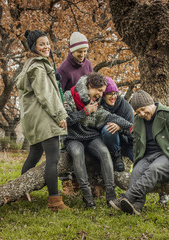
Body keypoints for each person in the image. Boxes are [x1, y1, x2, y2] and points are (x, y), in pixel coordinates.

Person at [109, 90, 169, 215]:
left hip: (166, 157)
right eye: (138, 111)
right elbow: (136, 143)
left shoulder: (168, 115)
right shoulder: (138, 120)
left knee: (153, 169)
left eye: (143, 109)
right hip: (147, 156)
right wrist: (137, 159)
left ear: (151, 104)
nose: (141, 113)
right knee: (136, 172)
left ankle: (127, 197)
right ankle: (136, 206)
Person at [16, 30, 69, 211]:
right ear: (34, 47)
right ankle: (55, 201)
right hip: (44, 119)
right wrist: (60, 116)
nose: (46, 47)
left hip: (34, 119)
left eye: (47, 43)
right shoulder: (38, 67)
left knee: (34, 155)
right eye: (41, 44)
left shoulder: (30, 65)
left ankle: (21, 191)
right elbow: (46, 95)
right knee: (53, 159)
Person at [64, 72, 133, 208]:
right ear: (90, 86)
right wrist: (85, 111)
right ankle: (87, 196)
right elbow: (67, 120)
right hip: (72, 138)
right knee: (77, 153)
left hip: (91, 137)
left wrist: (130, 127)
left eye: (102, 91)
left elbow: (109, 116)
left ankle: (111, 196)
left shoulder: (96, 102)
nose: (101, 94)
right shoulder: (69, 96)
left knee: (104, 152)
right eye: (99, 90)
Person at [57, 32, 93, 195]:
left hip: (85, 112)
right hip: (69, 112)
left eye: (85, 51)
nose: (83, 54)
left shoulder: (88, 64)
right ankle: (66, 181)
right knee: (66, 146)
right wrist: (62, 105)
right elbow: (58, 91)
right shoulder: (63, 69)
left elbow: (91, 84)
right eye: (80, 51)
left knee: (83, 145)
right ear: (72, 50)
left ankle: (79, 179)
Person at [100, 77, 134, 172]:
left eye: (115, 94)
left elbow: (132, 129)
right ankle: (116, 157)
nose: (113, 97)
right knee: (108, 129)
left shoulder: (125, 106)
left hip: (127, 141)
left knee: (140, 160)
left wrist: (120, 127)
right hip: (109, 142)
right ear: (103, 95)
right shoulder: (99, 107)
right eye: (109, 94)